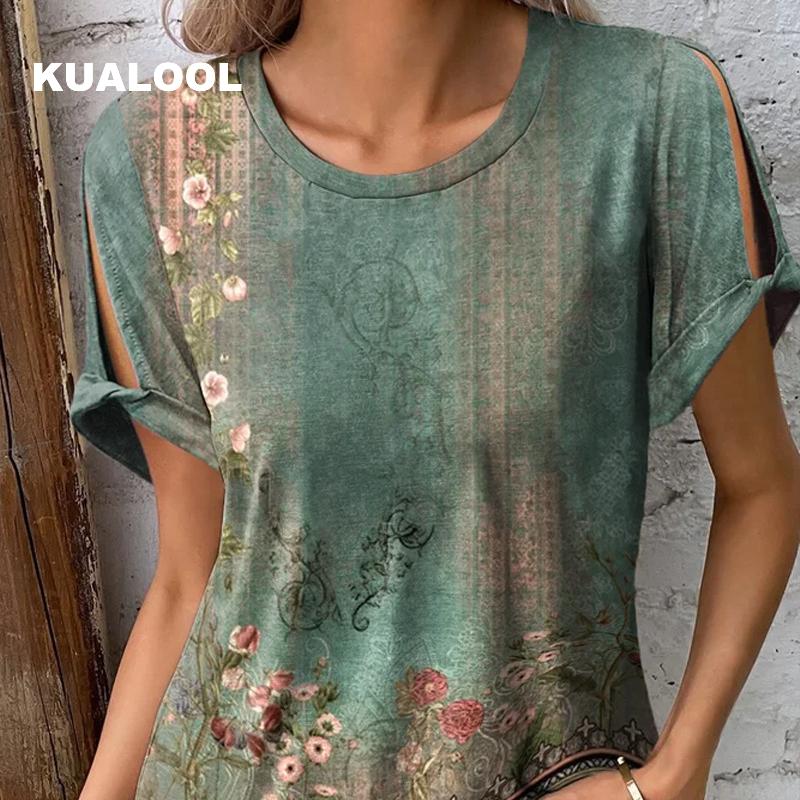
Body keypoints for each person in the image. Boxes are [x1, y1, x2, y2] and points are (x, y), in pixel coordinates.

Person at [67, 1, 800, 798]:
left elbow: (762, 483)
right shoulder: (163, 154)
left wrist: (672, 777)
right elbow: (189, 574)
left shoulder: (649, 113)